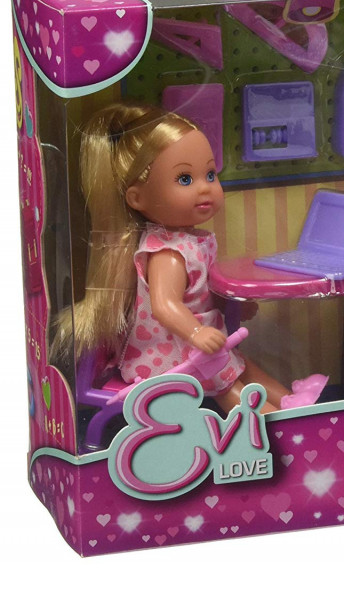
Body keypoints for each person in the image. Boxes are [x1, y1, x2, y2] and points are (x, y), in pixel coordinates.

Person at [56, 104, 326, 413]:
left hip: (191, 346)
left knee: (241, 365)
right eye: (185, 179)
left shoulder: (190, 241)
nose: (205, 188)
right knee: (224, 383)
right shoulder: (167, 253)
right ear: (137, 198)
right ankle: (271, 424)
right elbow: (164, 305)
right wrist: (196, 332)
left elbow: (197, 292)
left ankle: (294, 408)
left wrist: (228, 304)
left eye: (210, 174)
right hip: (167, 355)